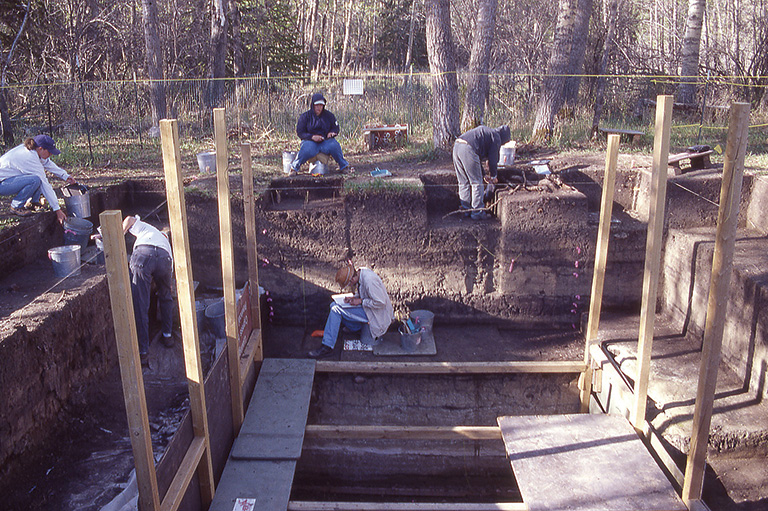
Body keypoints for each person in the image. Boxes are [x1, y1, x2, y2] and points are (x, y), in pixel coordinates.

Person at [308, 262, 394, 359]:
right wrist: (353, 298)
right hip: (370, 309)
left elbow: (380, 302)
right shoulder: (361, 274)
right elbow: (365, 293)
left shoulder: (369, 281)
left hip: (377, 315)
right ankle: (355, 328)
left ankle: (327, 347)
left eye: (349, 283)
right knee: (333, 304)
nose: (350, 286)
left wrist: (360, 301)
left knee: (336, 310)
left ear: (352, 278)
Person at [123, 215, 175, 367]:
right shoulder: (167, 245)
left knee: (141, 304)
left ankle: (143, 351)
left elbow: (129, 219)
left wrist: (118, 234)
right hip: (165, 260)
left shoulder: (147, 228)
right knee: (166, 298)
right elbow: (169, 284)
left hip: (143, 256)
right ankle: (168, 336)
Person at [0, 135, 77, 223]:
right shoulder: (29, 157)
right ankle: (16, 207)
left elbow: (48, 163)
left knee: (36, 179)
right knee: (35, 180)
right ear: (41, 148)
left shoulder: (34, 151)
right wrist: (57, 209)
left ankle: (33, 203)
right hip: (2, 184)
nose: (51, 154)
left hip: (9, 180)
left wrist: (65, 176)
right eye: (49, 152)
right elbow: (44, 184)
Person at [452, 125, 511, 220]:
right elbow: (493, 160)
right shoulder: (496, 137)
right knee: (477, 183)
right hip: (468, 148)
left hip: (457, 146)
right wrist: (493, 176)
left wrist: (483, 174)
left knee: (463, 182)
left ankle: (465, 210)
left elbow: (476, 158)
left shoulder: (488, 134)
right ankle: (477, 212)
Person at [290, 92, 351, 174]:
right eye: (317, 105)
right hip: (310, 142)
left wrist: (332, 133)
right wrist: (312, 137)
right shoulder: (305, 117)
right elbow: (300, 132)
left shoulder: (329, 116)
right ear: (312, 105)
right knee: (305, 150)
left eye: (321, 105)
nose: (319, 108)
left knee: (335, 146)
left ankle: (343, 166)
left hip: (326, 142)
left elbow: (336, 128)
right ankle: (294, 168)